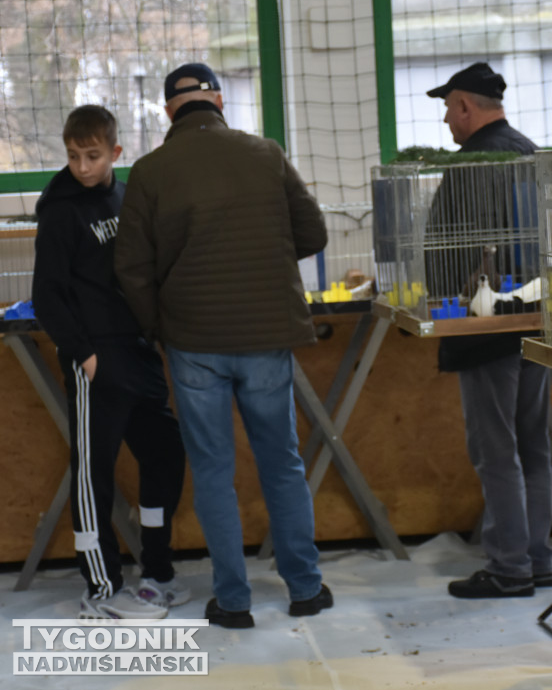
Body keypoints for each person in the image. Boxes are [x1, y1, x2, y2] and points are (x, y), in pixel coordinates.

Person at [114, 63, 332, 628]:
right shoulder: (265, 152)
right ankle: (305, 589)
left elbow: (133, 268)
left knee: (213, 469)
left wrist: (159, 326)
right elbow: (313, 233)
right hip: (265, 335)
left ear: (169, 111)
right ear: (217, 100)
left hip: (192, 341)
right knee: (281, 463)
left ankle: (233, 602)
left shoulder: (150, 170)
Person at [31, 104, 188, 619]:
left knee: (164, 453)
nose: (82, 166)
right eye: (74, 156)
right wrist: (85, 355)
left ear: (115, 153)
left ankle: (157, 568)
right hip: (95, 356)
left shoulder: (123, 194)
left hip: (137, 350)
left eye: (92, 156)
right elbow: (48, 296)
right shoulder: (60, 208)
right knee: (93, 473)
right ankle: (101, 590)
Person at [425, 62, 552, 598]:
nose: (447, 123)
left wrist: (440, 305)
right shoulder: (529, 151)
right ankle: (537, 559)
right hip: (538, 318)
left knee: (496, 451)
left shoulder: (472, 162)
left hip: (486, 326)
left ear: (464, 106)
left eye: (448, 111)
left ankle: (509, 569)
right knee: (534, 445)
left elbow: (452, 248)